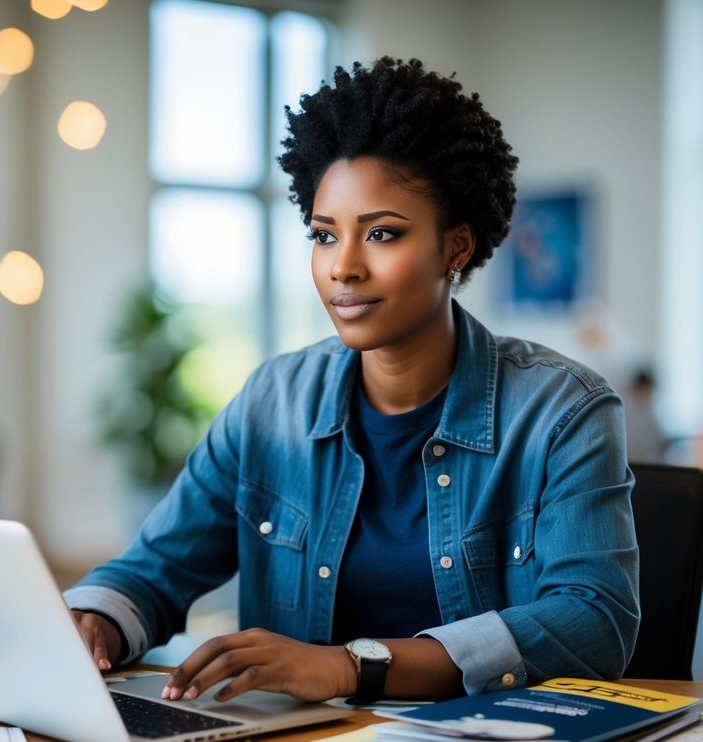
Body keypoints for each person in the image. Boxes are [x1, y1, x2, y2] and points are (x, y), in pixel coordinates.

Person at [66, 57, 639, 704]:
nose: (343, 267)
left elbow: (594, 621)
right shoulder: (271, 404)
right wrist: (96, 620)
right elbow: (155, 568)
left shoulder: (561, 411)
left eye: (383, 234)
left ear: (455, 247)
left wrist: (351, 666)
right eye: (323, 235)